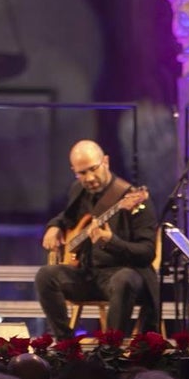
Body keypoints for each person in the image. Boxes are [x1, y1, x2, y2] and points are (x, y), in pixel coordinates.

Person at [34, 139, 158, 339]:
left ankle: (111, 347)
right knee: (45, 276)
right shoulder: (78, 190)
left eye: (93, 169)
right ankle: (65, 345)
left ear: (106, 162)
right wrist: (54, 226)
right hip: (88, 275)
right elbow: (67, 216)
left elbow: (147, 252)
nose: (89, 178)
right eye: (82, 173)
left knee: (123, 279)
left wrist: (111, 241)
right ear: (74, 171)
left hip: (125, 276)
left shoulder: (133, 199)